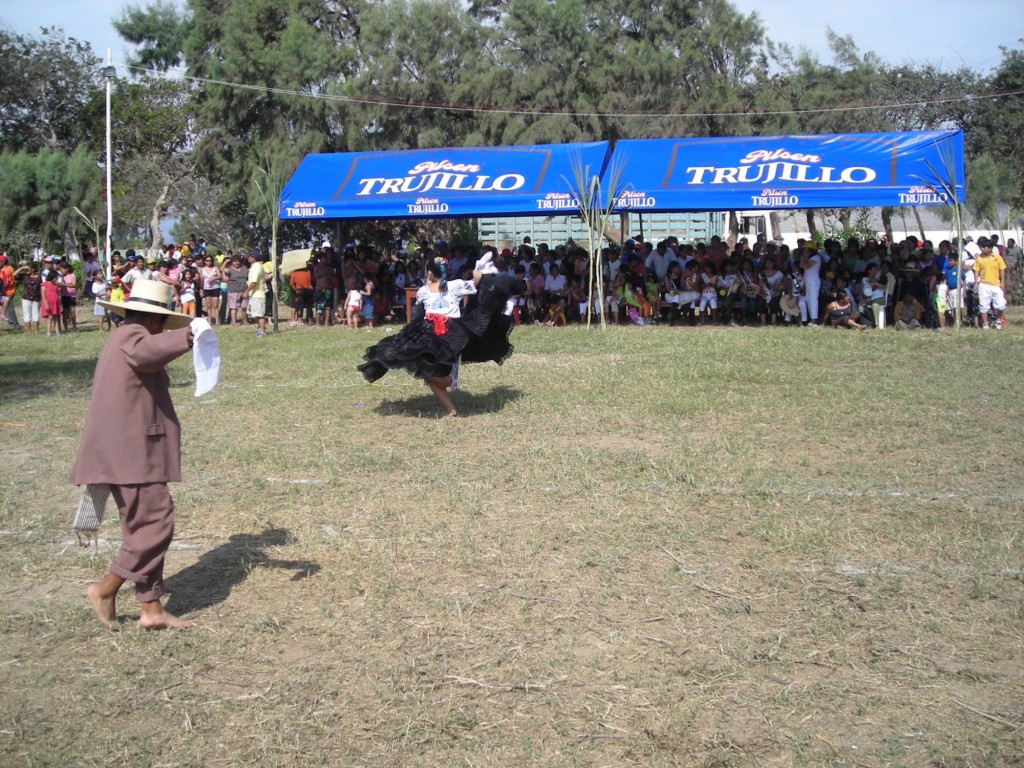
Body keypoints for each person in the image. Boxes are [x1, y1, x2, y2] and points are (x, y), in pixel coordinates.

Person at [71, 280, 195, 630]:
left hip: (128, 451)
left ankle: (151, 609)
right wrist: (187, 337)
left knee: (143, 524)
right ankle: (105, 589)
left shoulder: (125, 335)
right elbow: (145, 353)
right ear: (154, 320)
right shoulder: (132, 336)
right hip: (131, 453)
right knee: (156, 523)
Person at [358, 252, 524, 417]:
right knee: (430, 373)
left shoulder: (426, 290)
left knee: (433, 375)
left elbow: (420, 312)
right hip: (443, 335)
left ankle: (448, 388)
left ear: (429, 272)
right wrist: (478, 272)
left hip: (446, 336)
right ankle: (450, 405)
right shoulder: (454, 285)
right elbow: (476, 283)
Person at [973, 237, 1007, 329]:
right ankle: (985, 323)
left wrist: (1003, 282)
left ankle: (998, 321)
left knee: (1001, 305)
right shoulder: (979, 258)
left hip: (996, 284)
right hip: (984, 285)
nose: (982, 249)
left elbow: (1002, 269)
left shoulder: (997, 257)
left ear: (990, 248)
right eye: (981, 247)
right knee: (984, 306)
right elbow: (976, 271)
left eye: (984, 247)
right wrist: (976, 283)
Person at [245, 251, 267, 337]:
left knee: (258, 315)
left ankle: (262, 331)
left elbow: (254, 282)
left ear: (253, 257)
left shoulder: (256, 268)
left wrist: (246, 291)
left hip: (257, 295)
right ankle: (261, 328)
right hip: (254, 295)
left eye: (249, 256)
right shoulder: (256, 267)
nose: (248, 258)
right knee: (254, 314)